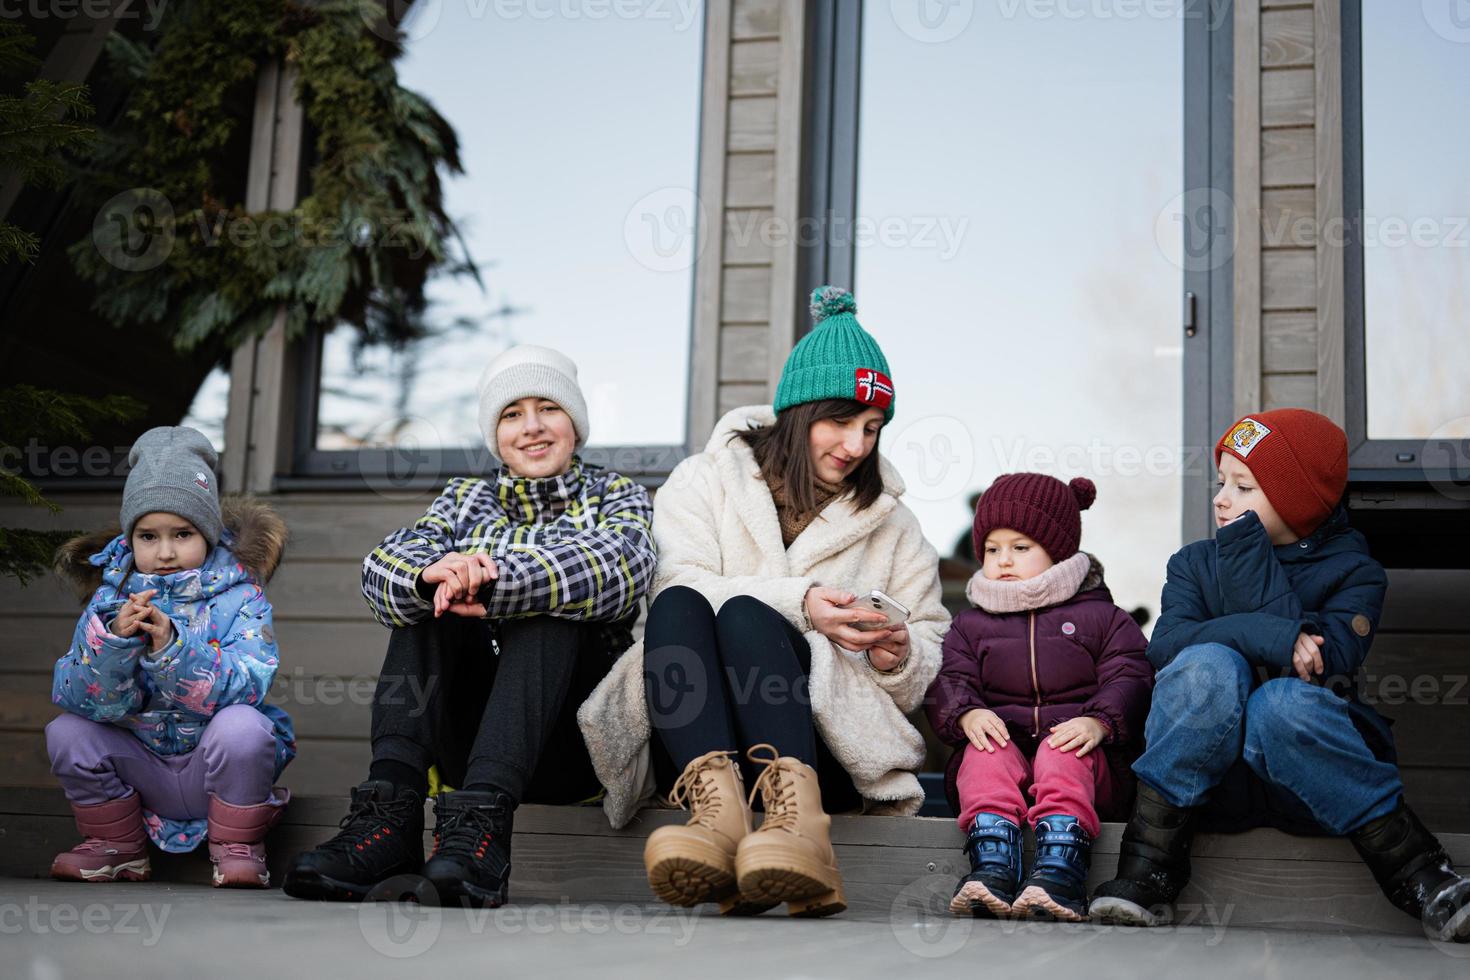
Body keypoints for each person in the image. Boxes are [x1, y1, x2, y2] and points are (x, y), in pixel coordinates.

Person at [578, 286, 950, 918]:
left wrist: (898, 651)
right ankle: (717, 818)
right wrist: (801, 601)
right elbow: (670, 588)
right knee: (681, 605)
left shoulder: (895, 525)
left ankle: (800, 830)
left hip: (826, 746)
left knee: (749, 616)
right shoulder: (705, 479)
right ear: (798, 413)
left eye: (872, 428)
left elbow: (930, 656)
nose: (856, 445)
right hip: (694, 741)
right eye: (840, 421)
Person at [283, 345, 656, 908]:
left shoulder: (617, 495)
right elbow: (381, 568)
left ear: (574, 423)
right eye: (511, 414)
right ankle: (389, 819)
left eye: (548, 408)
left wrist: (496, 579)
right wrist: (435, 575)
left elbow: (622, 570)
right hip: (467, 741)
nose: (531, 427)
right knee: (429, 598)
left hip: (575, 748)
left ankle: (482, 831)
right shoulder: (464, 498)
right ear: (496, 433)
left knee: (546, 607)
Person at [1090, 409, 1470, 943]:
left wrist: (1245, 560)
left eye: (1242, 486)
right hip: (1211, 788)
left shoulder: (1356, 574)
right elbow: (1167, 647)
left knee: (1282, 704)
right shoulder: (1193, 565)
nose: (1221, 498)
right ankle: (1150, 868)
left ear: (1297, 500)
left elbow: (1325, 660)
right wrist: (1267, 636)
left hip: (1314, 785)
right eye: (1220, 482)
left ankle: (1423, 877)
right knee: (1206, 666)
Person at [48, 425, 293, 887]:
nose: (164, 552)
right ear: (130, 538)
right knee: (69, 732)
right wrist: (114, 643)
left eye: (182, 534)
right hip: (141, 770)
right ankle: (116, 847)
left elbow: (250, 682)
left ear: (207, 532)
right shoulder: (108, 601)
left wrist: (175, 649)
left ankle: (237, 847)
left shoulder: (241, 597)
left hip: (214, 771)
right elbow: (80, 697)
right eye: (147, 536)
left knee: (245, 728)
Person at [927, 473, 1152, 920]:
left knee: (1061, 751)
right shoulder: (971, 625)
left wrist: (1099, 721)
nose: (1003, 559)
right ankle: (992, 866)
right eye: (992, 549)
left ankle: (1060, 871)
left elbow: (1132, 674)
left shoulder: (1102, 618)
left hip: (1085, 764)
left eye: (1020, 547)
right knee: (984, 752)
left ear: (1058, 550)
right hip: (1006, 758)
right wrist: (966, 713)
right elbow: (950, 678)